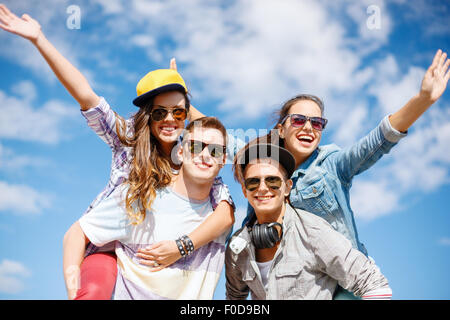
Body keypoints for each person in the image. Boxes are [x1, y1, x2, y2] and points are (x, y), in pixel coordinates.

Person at [0, 4, 235, 300]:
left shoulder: (193, 158)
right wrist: (39, 40)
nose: (169, 119)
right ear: (148, 115)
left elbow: (224, 202)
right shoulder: (128, 140)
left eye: (178, 113)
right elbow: (86, 95)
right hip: (107, 245)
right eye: (160, 112)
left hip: (156, 257)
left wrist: (180, 91)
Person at [241, 50, 450, 298]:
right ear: (281, 129)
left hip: (343, 284)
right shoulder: (263, 174)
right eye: (298, 120)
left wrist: (423, 99)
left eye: (317, 123)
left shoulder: (332, 164)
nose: (308, 127)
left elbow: (377, 141)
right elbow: (215, 139)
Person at [64, 117, 232, 300]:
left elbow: (259, 157)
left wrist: (181, 247)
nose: (205, 155)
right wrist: (74, 292)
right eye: (195, 147)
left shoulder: (221, 218)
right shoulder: (140, 198)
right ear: (181, 152)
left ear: (223, 160)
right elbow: (77, 233)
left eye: (214, 150)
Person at [226, 142, 392, 300]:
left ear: (287, 187)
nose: (263, 188)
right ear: (244, 190)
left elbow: (375, 284)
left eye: (272, 181)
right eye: (253, 182)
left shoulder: (313, 232)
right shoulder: (237, 246)